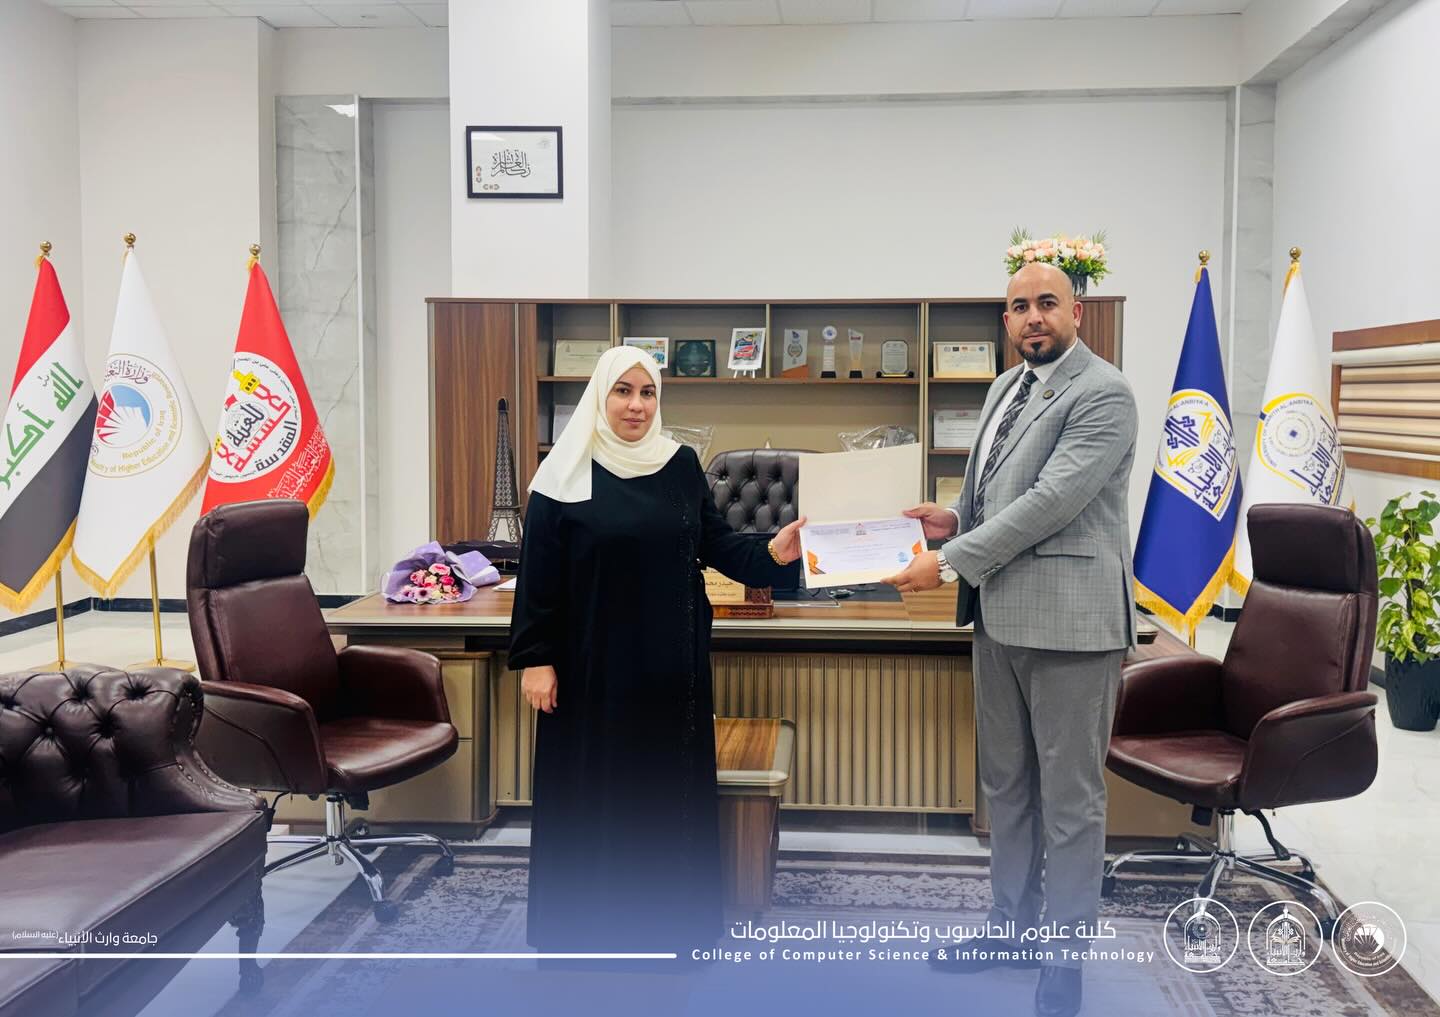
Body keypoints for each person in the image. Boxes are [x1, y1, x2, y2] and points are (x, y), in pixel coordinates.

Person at [882, 263, 1138, 1017]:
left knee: (1070, 800)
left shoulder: (1104, 393)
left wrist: (948, 562)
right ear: (1006, 321)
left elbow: (1051, 501)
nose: (1033, 317)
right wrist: (953, 522)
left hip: (1072, 624)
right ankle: (1010, 928)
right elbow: (994, 494)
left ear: (1076, 312)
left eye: (1047, 303)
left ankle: (1063, 959)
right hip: (999, 616)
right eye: (1020, 306)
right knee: (1006, 787)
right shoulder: (1003, 387)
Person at [509, 345, 805, 955]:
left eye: (647, 393)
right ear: (600, 396)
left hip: (672, 664)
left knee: (665, 792)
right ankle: (583, 933)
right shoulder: (565, 471)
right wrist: (535, 658)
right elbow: (538, 576)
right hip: (589, 665)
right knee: (595, 790)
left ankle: (671, 926)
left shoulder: (678, 465)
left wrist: (775, 552)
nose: (636, 405)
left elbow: (718, 545)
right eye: (623, 391)